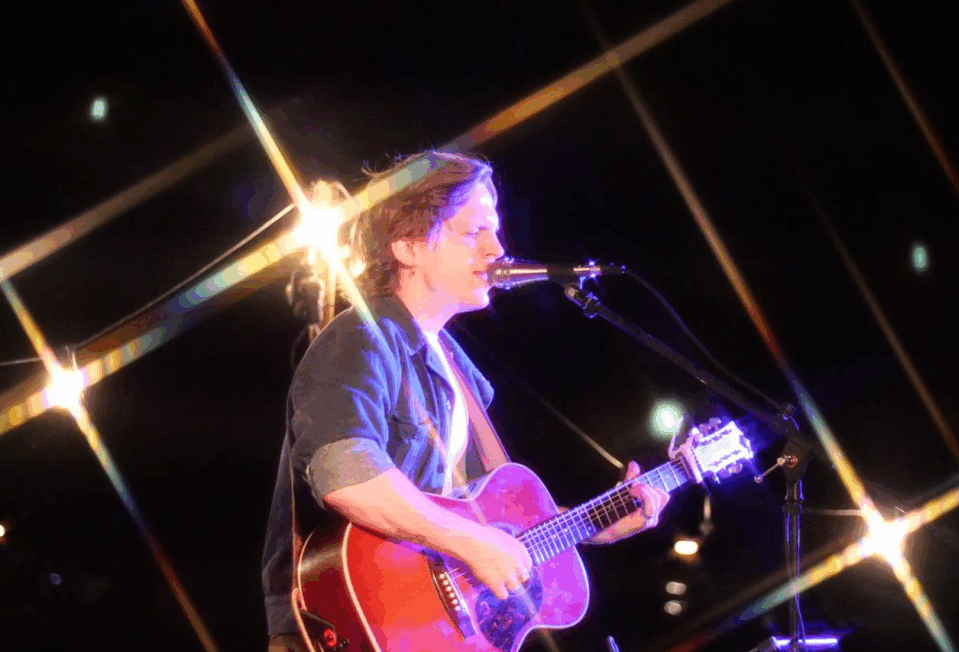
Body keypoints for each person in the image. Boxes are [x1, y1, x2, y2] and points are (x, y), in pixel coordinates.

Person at [261, 151, 669, 652]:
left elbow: (483, 515)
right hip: (347, 625)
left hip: (423, 629)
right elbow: (345, 474)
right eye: (474, 231)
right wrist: (465, 541)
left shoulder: (458, 371)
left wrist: (596, 525)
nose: (497, 248)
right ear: (409, 246)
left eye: (494, 231)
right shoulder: (361, 339)